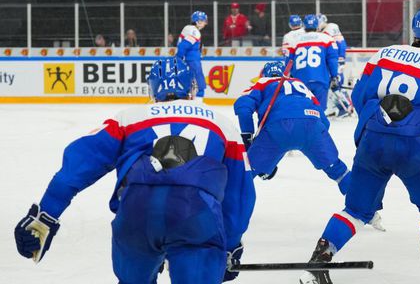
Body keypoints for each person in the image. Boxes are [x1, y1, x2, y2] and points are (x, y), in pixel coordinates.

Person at [14, 57, 256, 284]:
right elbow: (240, 194)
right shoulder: (222, 123)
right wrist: (229, 246)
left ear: (152, 90)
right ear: (191, 89)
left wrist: (45, 215)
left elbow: (79, 163)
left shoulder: (129, 117)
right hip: (196, 214)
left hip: (136, 214)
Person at [299, 8, 420, 284]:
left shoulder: (385, 53)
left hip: (373, 142)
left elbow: (358, 95)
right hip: (413, 148)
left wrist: (374, 123)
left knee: (355, 210)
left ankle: (318, 261)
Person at [233, 61, 385, 230]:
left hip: (277, 128)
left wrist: (248, 138)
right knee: (339, 171)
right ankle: (369, 213)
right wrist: (318, 140)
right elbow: (324, 120)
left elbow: (242, 107)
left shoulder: (262, 83)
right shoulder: (299, 84)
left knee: (244, 174)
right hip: (313, 126)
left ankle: (227, 209)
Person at [286, 15, 339, 120]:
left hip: (300, 82)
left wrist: (287, 77)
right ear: (317, 26)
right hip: (320, 79)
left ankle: (302, 134)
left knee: (302, 111)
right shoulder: (327, 38)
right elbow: (332, 59)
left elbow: (288, 62)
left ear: (304, 26)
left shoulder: (294, 40)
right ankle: (317, 134)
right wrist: (334, 76)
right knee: (319, 112)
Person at [317, 14, 353, 118]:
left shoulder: (330, 27)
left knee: (336, 85)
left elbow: (337, 45)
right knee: (330, 85)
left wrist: (340, 61)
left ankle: (347, 107)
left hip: (336, 61)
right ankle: (333, 108)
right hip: (334, 60)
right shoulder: (328, 29)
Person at [176, 11, 208, 100]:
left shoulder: (189, 29)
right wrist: (179, 57)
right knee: (197, 77)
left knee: (188, 79)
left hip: (188, 59)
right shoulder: (194, 31)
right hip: (191, 60)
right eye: (203, 21)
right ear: (198, 21)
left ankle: (188, 96)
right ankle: (199, 97)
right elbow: (184, 45)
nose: (205, 23)